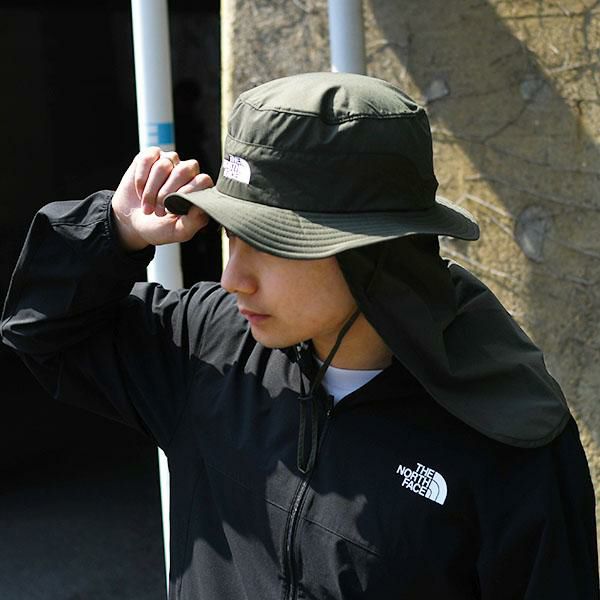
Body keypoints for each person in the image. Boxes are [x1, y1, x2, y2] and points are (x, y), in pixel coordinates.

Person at [2, 72, 598, 599]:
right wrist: (112, 230)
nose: (232, 278)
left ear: (373, 251)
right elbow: (40, 330)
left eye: (269, 243)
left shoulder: (505, 437)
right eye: (231, 236)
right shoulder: (208, 345)